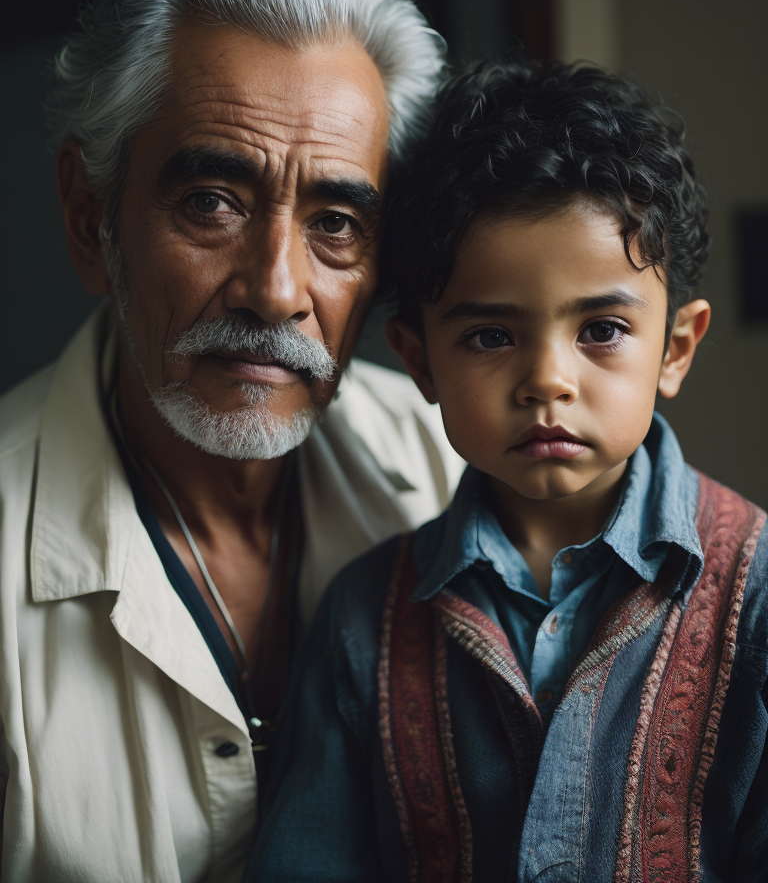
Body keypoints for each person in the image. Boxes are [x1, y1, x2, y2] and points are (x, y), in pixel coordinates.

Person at [0, 0, 465, 883]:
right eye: (212, 202)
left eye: (337, 222)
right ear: (92, 222)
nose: (276, 288)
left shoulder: (452, 464)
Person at [250, 56, 768, 882]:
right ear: (421, 364)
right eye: (491, 336)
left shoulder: (757, 592)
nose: (547, 380)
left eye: (600, 330)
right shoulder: (362, 623)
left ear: (676, 349)